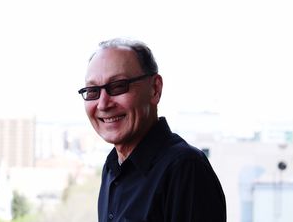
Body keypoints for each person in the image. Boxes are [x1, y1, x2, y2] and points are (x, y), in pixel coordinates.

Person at [78, 38, 226, 222]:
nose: (103, 104)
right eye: (93, 91)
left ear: (155, 89)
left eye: (118, 86)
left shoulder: (185, 168)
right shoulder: (112, 167)